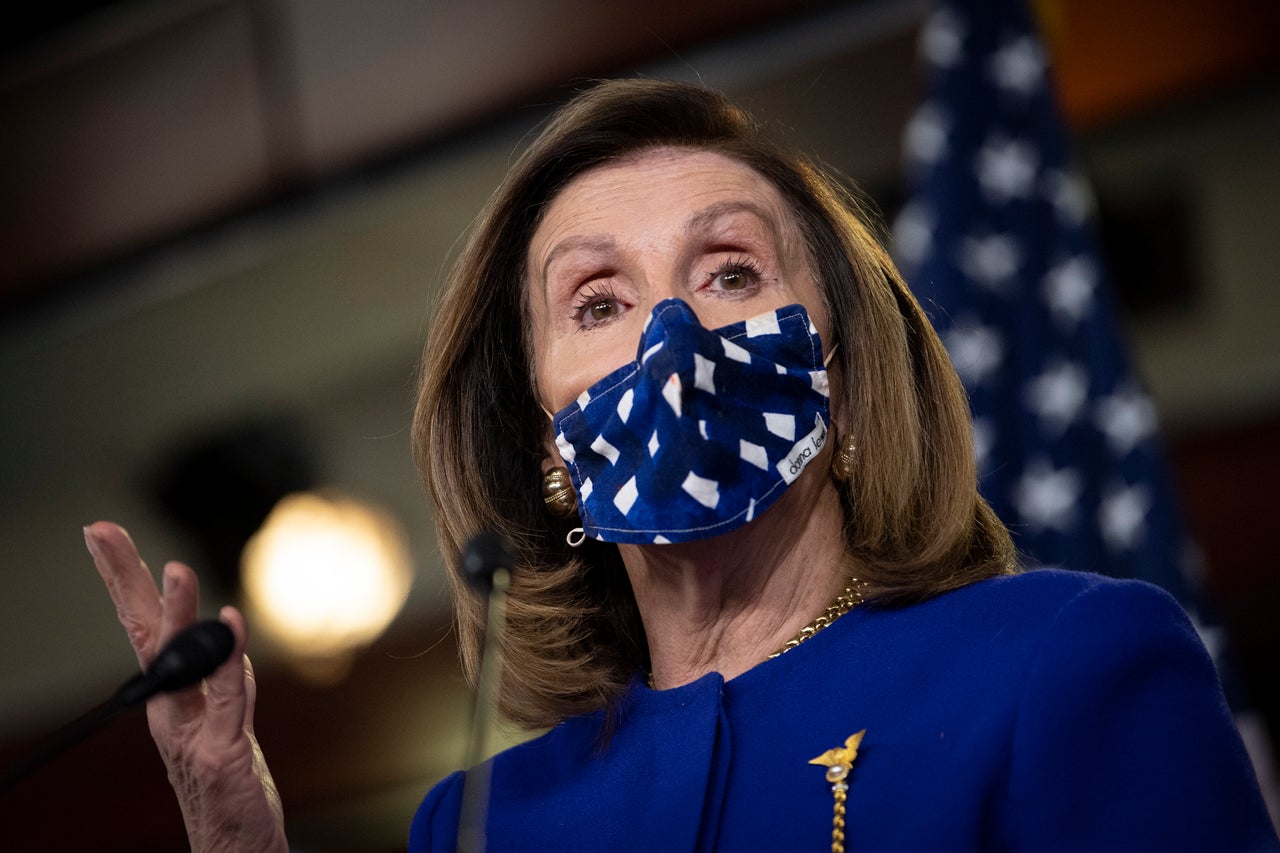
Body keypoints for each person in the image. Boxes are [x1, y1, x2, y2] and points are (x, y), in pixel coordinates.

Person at [86, 79, 1278, 851]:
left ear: (843, 375)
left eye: (728, 275)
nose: (671, 339)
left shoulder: (1061, 661)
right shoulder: (486, 823)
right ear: (546, 444)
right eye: (597, 301)